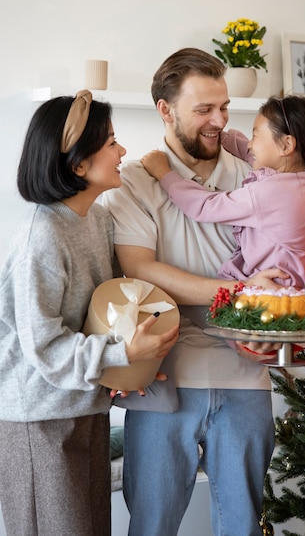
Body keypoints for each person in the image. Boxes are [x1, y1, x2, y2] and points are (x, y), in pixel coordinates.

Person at [101, 48, 283, 536]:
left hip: (245, 379)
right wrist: (238, 291)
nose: (218, 120)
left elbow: (279, 271)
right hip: (164, 380)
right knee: (152, 526)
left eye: (223, 107)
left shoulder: (254, 177)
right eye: (204, 109)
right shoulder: (134, 183)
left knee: (241, 526)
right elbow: (144, 271)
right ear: (166, 109)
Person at [0, 90, 179, 536]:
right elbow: (44, 345)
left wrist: (132, 365)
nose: (122, 152)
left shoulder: (97, 220)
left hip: (84, 407)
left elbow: (108, 312)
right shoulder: (40, 239)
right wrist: (119, 355)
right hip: (38, 420)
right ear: (78, 164)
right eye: (112, 142)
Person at [141, 94, 305, 288]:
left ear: (286, 145)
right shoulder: (301, 181)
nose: (250, 143)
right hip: (295, 286)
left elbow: (206, 206)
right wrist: (218, 136)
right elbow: (257, 156)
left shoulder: (271, 193)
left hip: (273, 296)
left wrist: (164, 173)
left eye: (255, 135)